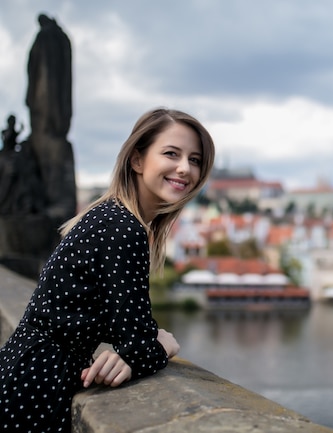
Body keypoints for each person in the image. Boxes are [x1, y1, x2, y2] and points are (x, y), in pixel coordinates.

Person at [0, 107, 215, 432]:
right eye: (172, 153)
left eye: (195, 159)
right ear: (137, 160)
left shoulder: (108, 215)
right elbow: (140, 342)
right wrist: (166, 343)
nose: (185, 168)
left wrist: (137, 346)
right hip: (36, 385)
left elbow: (127, 333)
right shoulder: (124, 228)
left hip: (24, 369)